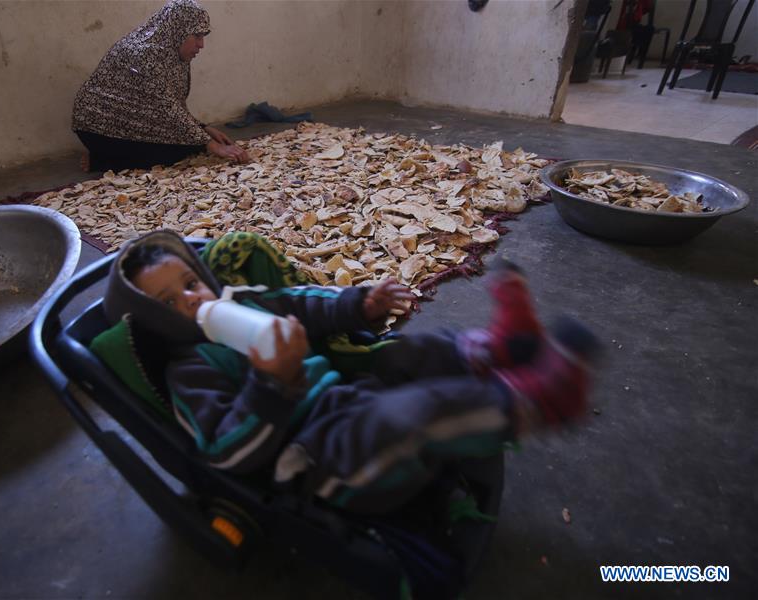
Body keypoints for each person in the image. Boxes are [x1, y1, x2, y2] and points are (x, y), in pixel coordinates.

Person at [104, 230, 601, 517]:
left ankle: (500, 350)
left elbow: (305, 304)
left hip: (346, 396)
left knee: (403, 354)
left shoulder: (245, 303)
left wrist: (359, 305)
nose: (192, 299)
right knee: (416, 413)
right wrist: (270, 381)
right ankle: (539, 401)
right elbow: (225, 452)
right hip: (318, 455)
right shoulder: (189, 370)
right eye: (170, 301)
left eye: (191, 283)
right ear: (155, 321)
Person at [72, 0, 249, 172]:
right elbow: (166, 108)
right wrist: (210, 144)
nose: (201, 45)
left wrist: (204, 128)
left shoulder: (173, 52)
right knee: (179, 151)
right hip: (98, 126)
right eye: (196, 35)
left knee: (186, 141)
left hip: (132, 121)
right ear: (178, 30)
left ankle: (109, 155)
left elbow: (173, 103)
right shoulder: (145, 54)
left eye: (203, 36)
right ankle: (102, 159)